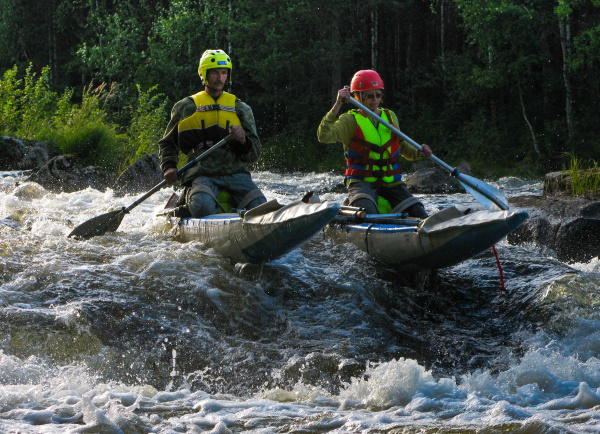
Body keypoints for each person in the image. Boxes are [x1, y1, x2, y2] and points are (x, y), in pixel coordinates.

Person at [158, 49, 266, 217]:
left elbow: (254, 155)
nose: (220, 78)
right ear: (204, 74)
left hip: (234, 171)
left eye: (224, 73)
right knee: (203, 208)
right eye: (215, 72)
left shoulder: (241, 108)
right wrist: (169, 166)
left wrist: (244, 140)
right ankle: (186, 201)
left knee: (261, 207)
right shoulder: (186, 106)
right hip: (202, 172)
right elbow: (167, 143)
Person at [317, 69, 432, 218]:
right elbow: (324, 136)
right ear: (358, 97)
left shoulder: (390, 117)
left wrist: (418, 152)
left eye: (378, 95)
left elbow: (401, 146)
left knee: (419, 212)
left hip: (392, 184)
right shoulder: (349, 120)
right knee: (368, 213)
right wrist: (338, 104)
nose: (375, 99)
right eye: (369, 96)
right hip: (362, 183)